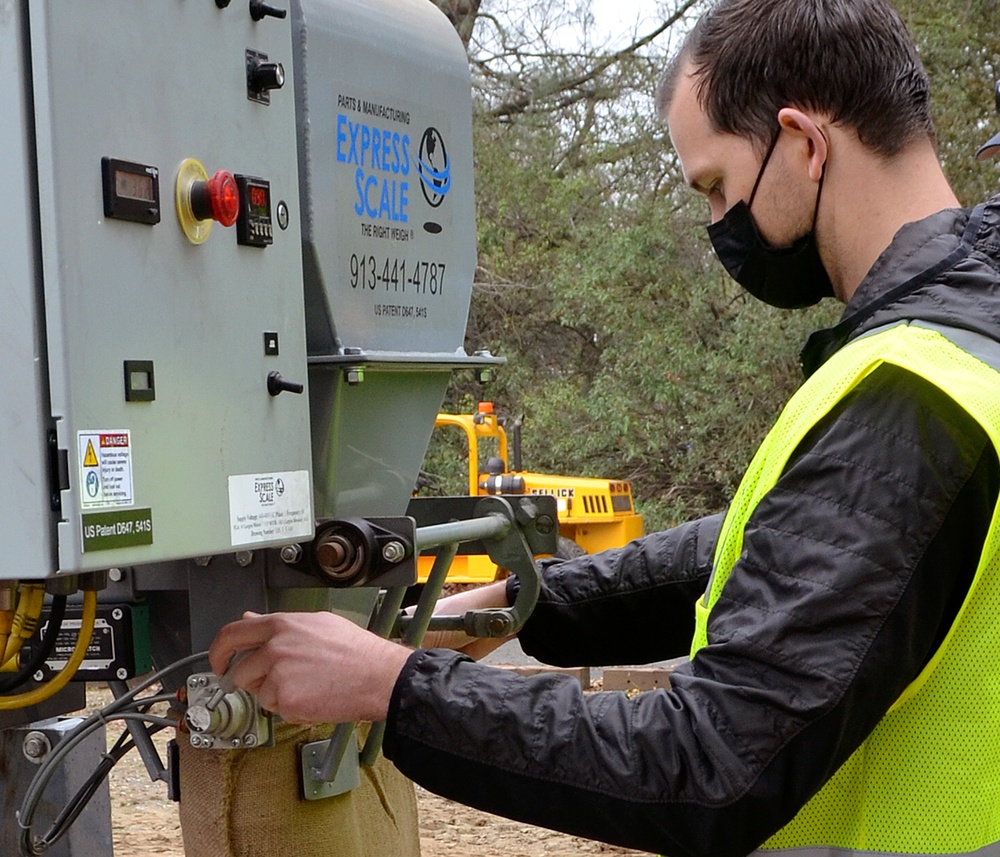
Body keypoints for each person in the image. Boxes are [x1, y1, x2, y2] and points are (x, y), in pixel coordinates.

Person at [210, 1, 1000, 855]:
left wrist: (395, 686)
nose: (716, 225)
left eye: (717, 188)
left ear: (805, 143)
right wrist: (520, 605)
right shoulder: (971, 333)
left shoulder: (907, 393)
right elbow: (763, 549)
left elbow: (706, 763)